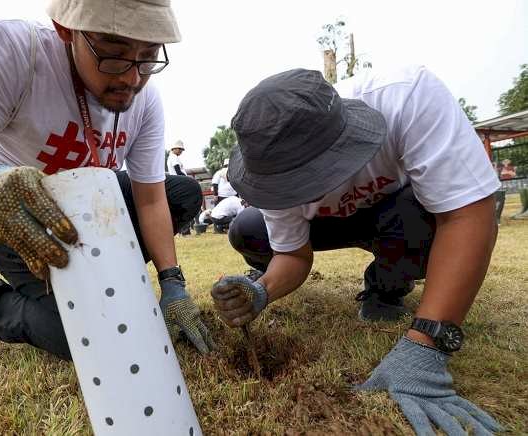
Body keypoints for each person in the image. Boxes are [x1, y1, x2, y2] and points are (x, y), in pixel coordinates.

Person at [0, 0, 213, 365]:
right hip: (19, 219)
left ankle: (106, 288)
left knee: (181, 193)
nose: (131, 79)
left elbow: (151, 200)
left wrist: (172, 283)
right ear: (66, 31)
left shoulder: (145, 98)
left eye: (148, 56)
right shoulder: (15, 51)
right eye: (114, 54)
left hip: (92, 210)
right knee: (92, 339)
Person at [212, 66, 503, 435]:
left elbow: (467, 214)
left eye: (306, 179)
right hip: (333, 223)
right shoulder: (271, 158)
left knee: (421, 217)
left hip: (401, 211)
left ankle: (386, 287)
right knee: (248, 229)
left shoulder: (406, 97)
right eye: (290, 185)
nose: (300, 192)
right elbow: (292, 255)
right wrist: (263, 290)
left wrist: (428, 344)